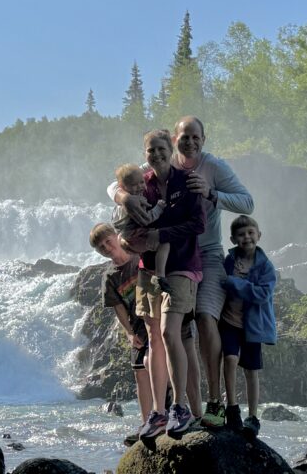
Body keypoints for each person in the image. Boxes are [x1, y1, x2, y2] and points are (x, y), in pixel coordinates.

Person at [110, 116, 254, 428]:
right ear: (175, 140)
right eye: (183, 137)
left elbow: (247, 202)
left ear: (204, 138)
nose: (189, 142)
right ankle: (178, 411)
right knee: (173, 335)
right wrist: (124, 197)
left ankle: (213, 403)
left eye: (195, 136)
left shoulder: (208, 170)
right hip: (166, 260)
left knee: (201, 320)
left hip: (204, 254)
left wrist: (213, 194)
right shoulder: (156, 169)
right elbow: (118, 181)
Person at [88, 222, 200, 444]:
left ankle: (175, 411)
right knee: (140, 372)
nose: (107, 248)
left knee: (162, 362)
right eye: (101, 247)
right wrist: (129, 333)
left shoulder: (137, 257)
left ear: (116, 236)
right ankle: (146, 420)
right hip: (137, 327)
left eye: (108, 242)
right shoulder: (109, 276)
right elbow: (118, 308)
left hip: (157, 316)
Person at [132, 129, 206, 439]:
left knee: (169, 331)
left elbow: (198, 224)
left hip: (181, 267)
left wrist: (162, 235)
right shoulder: (141, 186)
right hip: (147, 270)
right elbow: (124, 215)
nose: (157, 154)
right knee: (153, 337)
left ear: (170, 148)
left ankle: (180, 407)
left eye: (161, 148)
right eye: (151, 150)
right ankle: (158, 413)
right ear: (145, 153)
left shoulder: (186, 181)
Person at [220, 214, 276, 437]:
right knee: (230, 359)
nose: (247, 237)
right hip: (229, 321)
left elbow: (263, 294)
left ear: (259, 235)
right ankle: (232, 408)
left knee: (252, 371)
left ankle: (253, 417)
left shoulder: (266, 267)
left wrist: (236, 283)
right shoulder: (230, 260)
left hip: (253, 326)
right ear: (233, 239)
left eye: (251, 233)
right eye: (241, 234)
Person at [111, 163, 171, 292]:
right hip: (134, 237)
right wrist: (159, 207)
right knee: (164, 243)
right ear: (122, 187)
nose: (140, 187)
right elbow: (147, 219)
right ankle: (160, 275)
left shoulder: (119, 205)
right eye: (134, 185)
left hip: (128, 237)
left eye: (141, 182)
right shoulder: (134, 203)